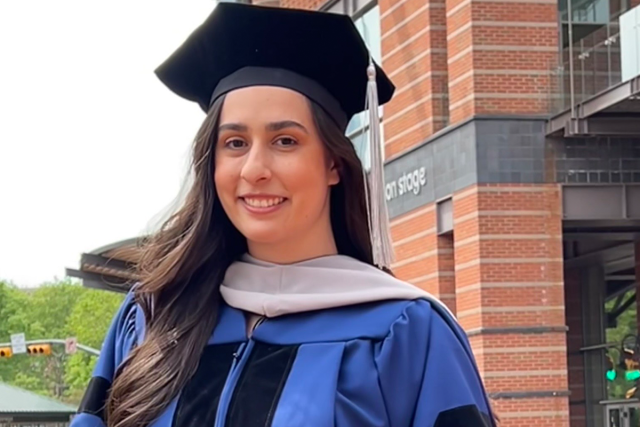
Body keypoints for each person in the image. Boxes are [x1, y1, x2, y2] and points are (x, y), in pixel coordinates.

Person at [71, 3, 496, 427]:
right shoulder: (150, 316)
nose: (255, 169)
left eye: (285, 141)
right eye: (235, 143)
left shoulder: (406, 332)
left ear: (334, 163)